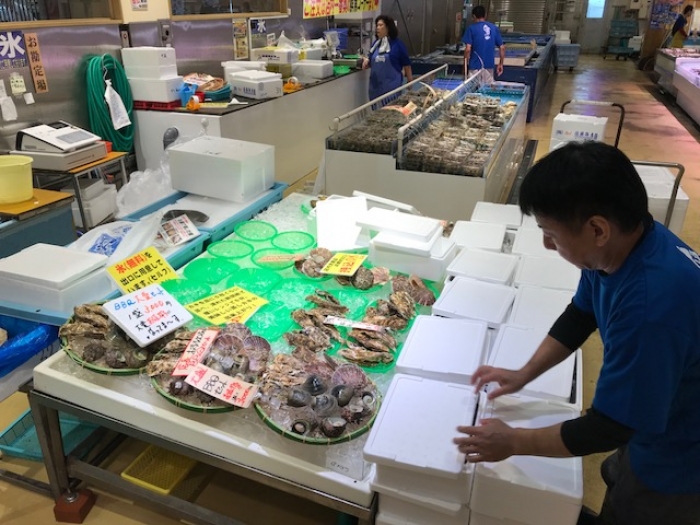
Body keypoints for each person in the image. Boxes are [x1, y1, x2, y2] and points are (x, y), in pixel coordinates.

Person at [453, 141, 700, 525]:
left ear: (597, 229)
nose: (546, 244)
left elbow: (608, 428)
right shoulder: (625, 245)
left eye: (550, 234)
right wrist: (523, 374)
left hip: (681, 458)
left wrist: (513, 441)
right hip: (660, 411)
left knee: (636, 509)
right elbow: (581, 314)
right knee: (622, 472)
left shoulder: (650, 307)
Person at [361, 15, 413, 102]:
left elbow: (407, 64)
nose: (378, 28)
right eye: (377, 25)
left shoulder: (397, 45)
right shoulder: (376, 44)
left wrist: (410, 81)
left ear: (388, 28)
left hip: (391, 90)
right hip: (375, 89)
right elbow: (371, 60)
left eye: (381, 25)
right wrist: (366, 61)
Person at [462, 5, 505, 80]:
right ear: (485, 15)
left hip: (475, 68)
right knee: (487, 87)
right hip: (489, 67)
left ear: (474, 16)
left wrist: (464, 66)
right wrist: (501, 64)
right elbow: (502, 48)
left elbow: (468, 49)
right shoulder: (494, 28)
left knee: (473, 87)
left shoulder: (471, 29)